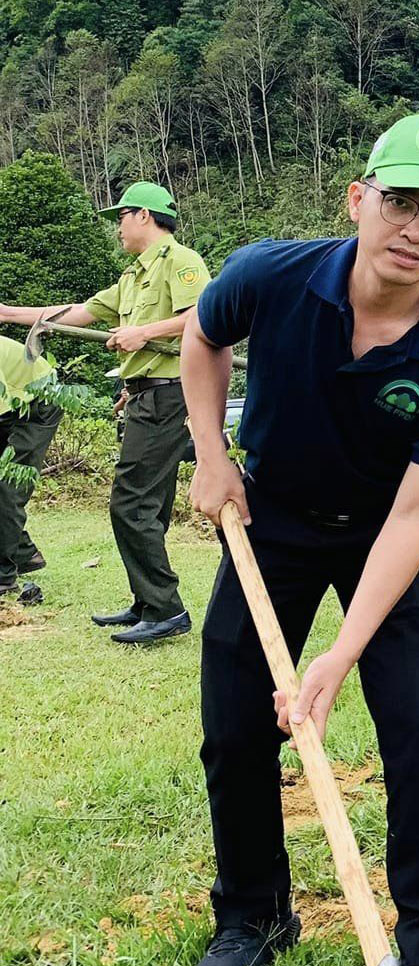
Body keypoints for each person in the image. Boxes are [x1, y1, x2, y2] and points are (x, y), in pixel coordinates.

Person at [180, 114, 419, 966]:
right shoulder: (272, 275)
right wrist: (210, 458)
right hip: (269, 521)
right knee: (234, 727)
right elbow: (203, 341)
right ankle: (252, 917)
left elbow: (414, 519)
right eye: (401, 201)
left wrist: (340, 653)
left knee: (417, 737)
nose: (416, 229)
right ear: (358, 197)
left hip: (382, 538)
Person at [0, 181, 211, 643]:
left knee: (129, 501)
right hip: (143, 394)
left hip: (171, 395)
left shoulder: (182, 260)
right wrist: (9, 312)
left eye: (121, 217)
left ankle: (165, 608)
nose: (117, 227)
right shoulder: (133, 276)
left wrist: (144, 333)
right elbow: (79, 312)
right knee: (148, 506)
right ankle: (147, 602)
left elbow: (202, 318)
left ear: (143, 216)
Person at [0, 334, 62, 604]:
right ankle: (25, 554)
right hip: (14, 405)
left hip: (39, 402)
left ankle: (3, 575)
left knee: (8, 484)